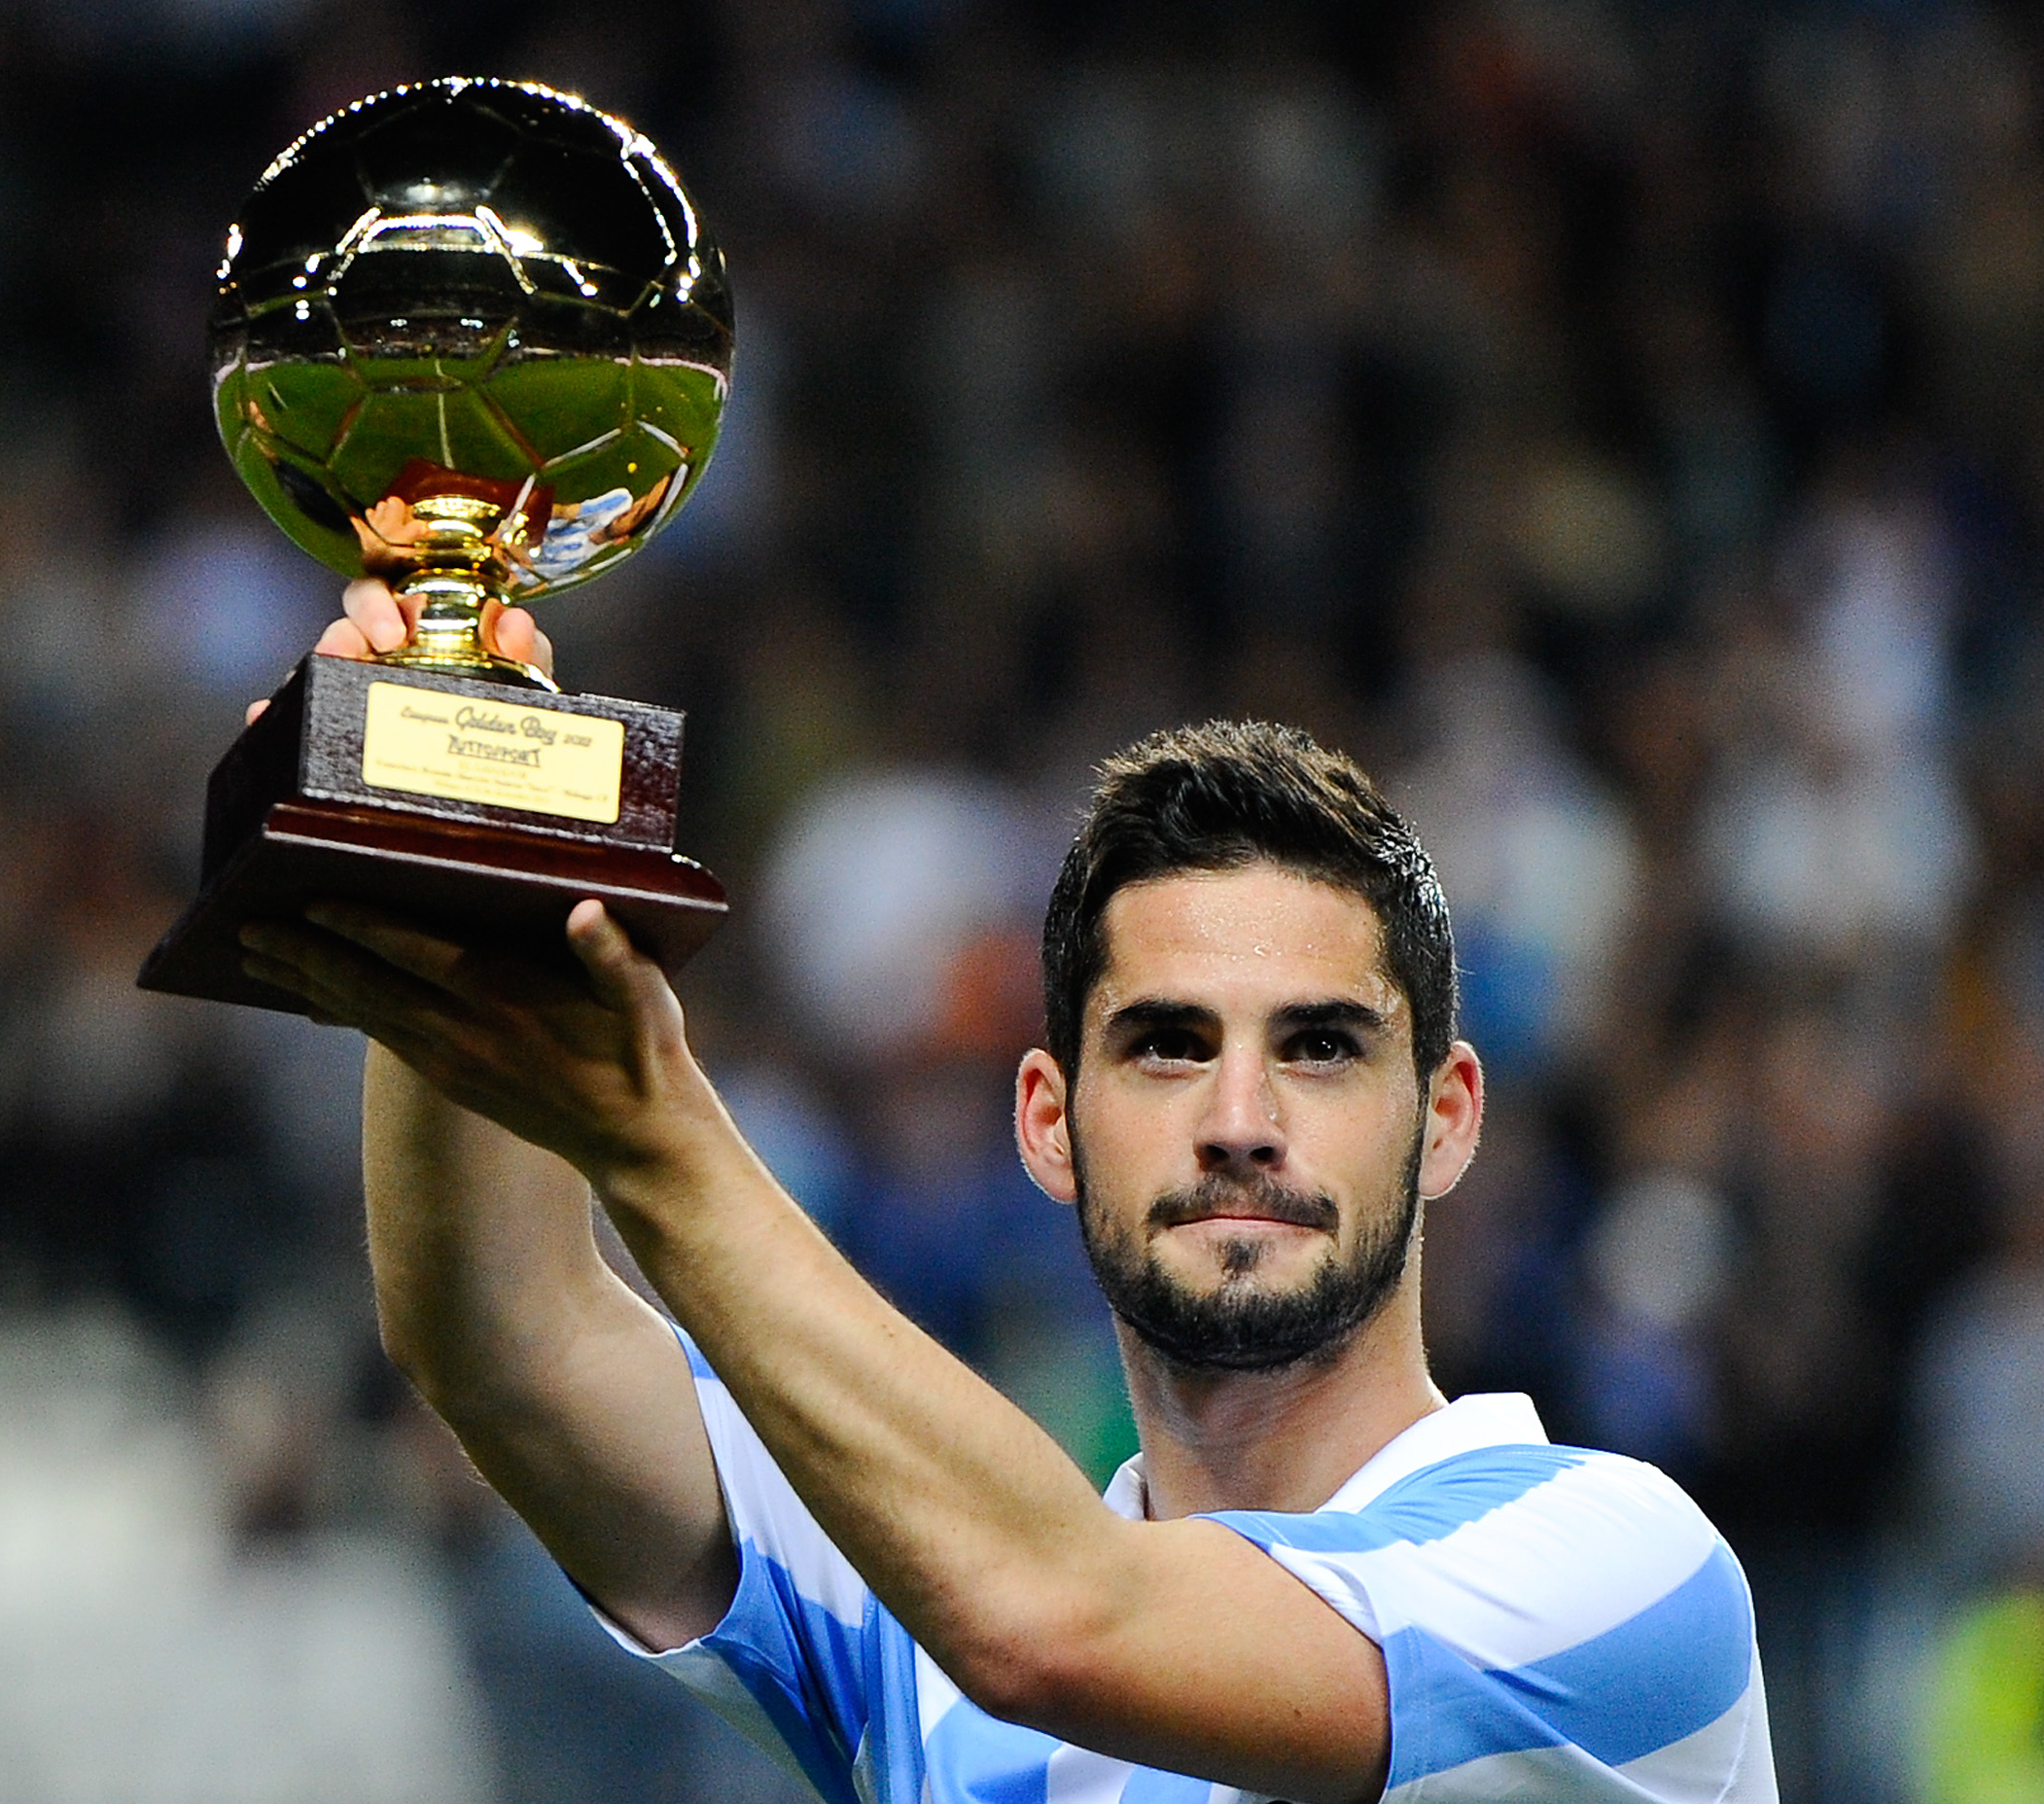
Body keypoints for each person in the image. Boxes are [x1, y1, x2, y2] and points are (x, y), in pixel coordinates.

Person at [237, 584, 1776, 1804]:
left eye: (1318, 1049)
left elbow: (1059, 1620)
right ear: (1048, 1122)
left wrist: (661, 1140)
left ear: (1446, 1122)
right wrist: (448, 862)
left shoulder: (1616, 1575)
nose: (1240, 1121)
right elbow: (510, 1337)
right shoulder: (930, 1614)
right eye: (1167, 1048)